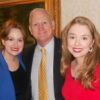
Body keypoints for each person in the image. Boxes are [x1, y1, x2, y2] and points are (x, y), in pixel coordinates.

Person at [22, 8, 64, 100]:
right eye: (35, 24)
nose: (40, 28)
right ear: (30, 29)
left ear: (52, 24)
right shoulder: (25, 55)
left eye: (44, 22)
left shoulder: (67, 50)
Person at [60, 16, 100, 100]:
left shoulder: (98, 69)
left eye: (84, 38)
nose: (77, 43)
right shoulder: (69, 66)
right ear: (66, 39)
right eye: (72, 37)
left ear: (92, 42)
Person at [0, 19, 27, 100]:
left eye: (19, 40)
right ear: (3, 41)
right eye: (11, 39)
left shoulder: (24, 59)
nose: (15, 44)